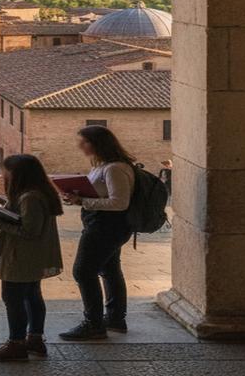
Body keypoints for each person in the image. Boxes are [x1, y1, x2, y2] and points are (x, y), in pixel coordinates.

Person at [0, 154, 64, 361]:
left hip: (21, 257)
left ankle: (16, 344)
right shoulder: (37, 192)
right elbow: (23, 215)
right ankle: (34, 339)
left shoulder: (30, 197)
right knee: (32, 296)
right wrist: (0, 203)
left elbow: (29, 231)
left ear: (17, 174)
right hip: (32, 257)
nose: (2, 175)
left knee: (13, 299)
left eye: (5, 172)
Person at [58, 125, 135, 340]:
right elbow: (104, 196)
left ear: (97, 143)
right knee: (109, 269)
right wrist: (78, 197)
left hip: (106, 227)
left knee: (83, 271)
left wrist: (83, 200)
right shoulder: (104, 166)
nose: (79, 146)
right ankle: (115, 319)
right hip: (105, 224)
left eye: (84, 141)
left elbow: (119, 202)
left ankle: (93, 324)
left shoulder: (114, 169)